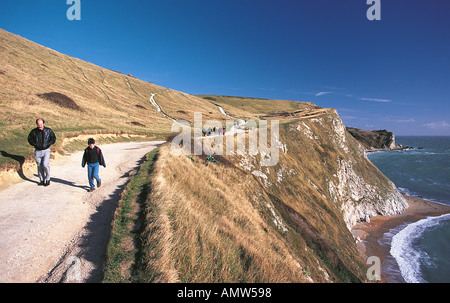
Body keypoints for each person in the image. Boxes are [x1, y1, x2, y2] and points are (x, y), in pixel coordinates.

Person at [27, 118, 56, 186]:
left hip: (46, 150)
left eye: (40, 124)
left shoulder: (48, 130)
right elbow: (29, 139)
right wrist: (34, 144)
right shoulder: (34, 131)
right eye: (38, 124)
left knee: (45, 164)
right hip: (37, 151)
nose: (39, 125)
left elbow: (53, 138)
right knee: (39, 165)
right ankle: (42, 180)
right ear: (36, 124)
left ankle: (48, 178)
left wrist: (48, 143)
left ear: (43, 123)